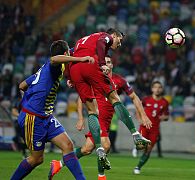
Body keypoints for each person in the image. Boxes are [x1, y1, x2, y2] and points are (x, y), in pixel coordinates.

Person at [66, 28, 151, 179]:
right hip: (90, 64)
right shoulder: (104, 37)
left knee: (92, 111)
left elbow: (69, 54)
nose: (119, 44)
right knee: (115, 99)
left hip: (75, 68)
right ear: (115, 35)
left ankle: (98, 148)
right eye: (120, 41)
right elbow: (101, 42)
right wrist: (101, 63)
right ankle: (135, 134)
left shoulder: (82, 41)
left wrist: (69, 75)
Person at [50, 56, 151, 180]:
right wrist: (81, 118)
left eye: (109, 62)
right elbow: (82, 98)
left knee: (86, 149)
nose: (106, 64)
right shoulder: (93, 78)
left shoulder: (119, 81)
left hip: (107, 121)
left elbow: (134, 97)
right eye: (104, 62)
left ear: (112, 65)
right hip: (97, 119)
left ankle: (58, 164)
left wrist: (143, 115)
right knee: (106, 145)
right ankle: (101, 177)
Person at [11, 40, 94, 180]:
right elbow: (54, 59)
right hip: (33, 117)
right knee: (37, 159)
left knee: (68, 146)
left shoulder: (43, 70)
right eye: (68, 53)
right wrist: (80, 59)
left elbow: (22, 85)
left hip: (46, 116)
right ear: (66, 54)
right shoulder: (55, 65)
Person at [133, 81, 169, 175]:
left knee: (148, 149)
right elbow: (138, 107)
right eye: (155, 87)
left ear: (162, 89)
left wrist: (163, 117)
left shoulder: (165, 102)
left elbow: (167, 116)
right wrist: (139, 118)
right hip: (144, 126)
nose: (157, 89)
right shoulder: (146, 99)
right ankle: (136, 147)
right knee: (141, 146)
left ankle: (138, 167)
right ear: (152, 89)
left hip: (155, 129)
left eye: (159, 87)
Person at [11, 94, 27, 158]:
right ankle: (24, 153)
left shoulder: (32, 99)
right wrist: (20, 116)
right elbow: (13, 111)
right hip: (21, 122)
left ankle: (15, 140)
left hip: (31, 122)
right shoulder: (18, 101)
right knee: (22, 138)